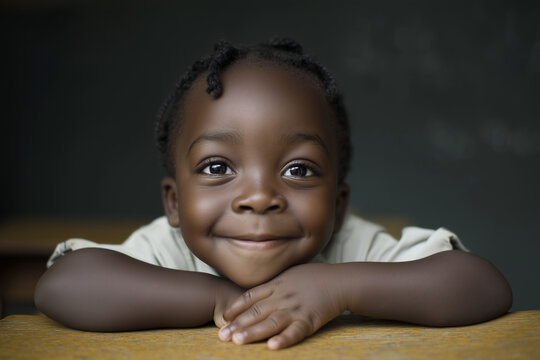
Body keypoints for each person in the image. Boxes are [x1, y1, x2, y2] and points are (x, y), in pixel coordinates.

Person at [34, 38, 512, 350]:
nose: (259, 197)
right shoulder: (166, 250)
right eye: (218, 167)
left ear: (339, 206)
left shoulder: (353, 249)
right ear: (174, 203)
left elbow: (482, 286)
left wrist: (338, 287)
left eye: (299, 169)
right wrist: (212, 296)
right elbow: (63, 285)